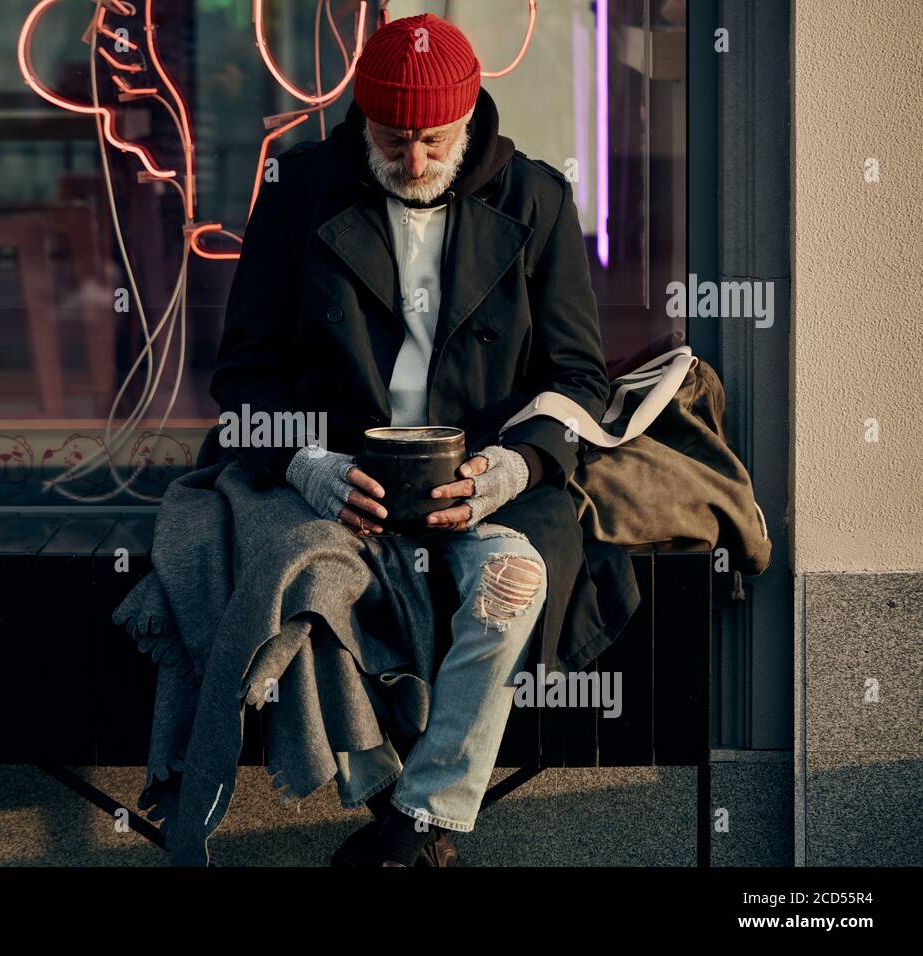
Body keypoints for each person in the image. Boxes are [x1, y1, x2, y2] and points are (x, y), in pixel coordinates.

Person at [210, 12, 611, 866]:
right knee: (311, 587)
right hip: (337, 482)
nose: (417, 162)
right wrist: (308, 465)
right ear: (362, 121)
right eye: (394, 143)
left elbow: (580, 378)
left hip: (485, 478)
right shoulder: (297, 190)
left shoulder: (537, 200)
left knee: (511, 580)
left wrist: (514, 465)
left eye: (435, 141)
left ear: (470, 121)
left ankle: (416, 823)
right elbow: (243, 377)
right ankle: (404, 823)